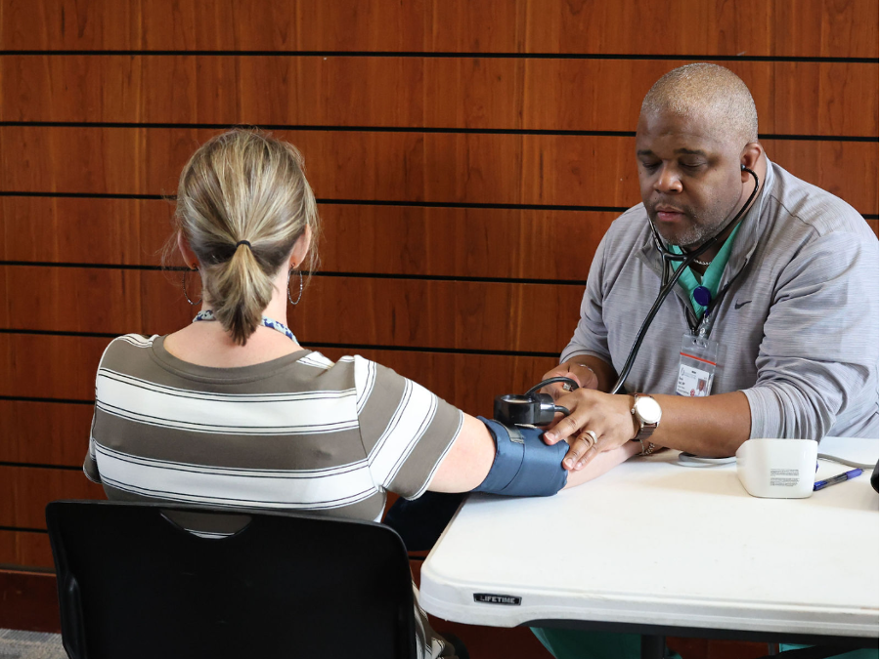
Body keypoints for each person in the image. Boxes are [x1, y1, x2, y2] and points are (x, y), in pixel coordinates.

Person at [82, 129, 639, 659]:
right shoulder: (355, 400)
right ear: (301, 244)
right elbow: (542, 464)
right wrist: (642, 428)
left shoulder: (119, 373)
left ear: (185, 245)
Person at [532, 63, 879, 659]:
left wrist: (638, 414)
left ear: (747, 160)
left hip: (806, 510)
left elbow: (800, 410)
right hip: (652, 496)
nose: (663, 183)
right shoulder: (626, 238)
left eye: (690, 164)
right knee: (546, 590)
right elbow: (593, 346)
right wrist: (574, 381)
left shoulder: (825, 242)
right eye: (649, 163)